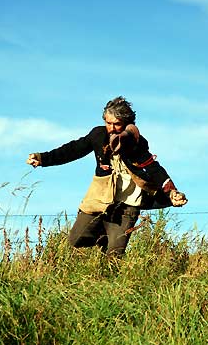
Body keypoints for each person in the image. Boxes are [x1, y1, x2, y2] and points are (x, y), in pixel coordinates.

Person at [26, 96, 187, 259]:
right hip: (100, 199)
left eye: (117, 124)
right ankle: (104, 235)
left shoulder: (136, 143)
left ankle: (110, 270)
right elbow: (73, 150)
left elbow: (154, 168)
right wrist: (43, 158)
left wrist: (171, 192)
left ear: (126, 123)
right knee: (76, 239)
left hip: (127, 206)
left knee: (114, 256)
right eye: (108, 123)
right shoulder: (98, 135)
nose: (111, 128)